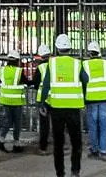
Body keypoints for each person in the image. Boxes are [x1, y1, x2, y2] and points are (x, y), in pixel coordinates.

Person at [40, 34, 89, 177]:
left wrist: (43, 103)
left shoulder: (52, 63)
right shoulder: (77, 63)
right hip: (73, 109)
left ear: (57, 48)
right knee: (76, 142)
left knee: (58, 143)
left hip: (56, 109)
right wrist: (84, 100)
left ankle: (60, 173)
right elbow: (86, 81)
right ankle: (75, 171)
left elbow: (46, 85)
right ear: (70, 47)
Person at [83, 42, 106, 158]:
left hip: (91, 99)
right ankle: (104, 150)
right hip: (104, 99)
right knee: (104, 126)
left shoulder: (85, 65)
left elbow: (83, 84)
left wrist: (83, 101)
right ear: (99, 52)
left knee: (93, 126)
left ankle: (94, 150)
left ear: (89, 53)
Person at [0, 51, 28, 146]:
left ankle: (1, 139)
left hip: (5, 100)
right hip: (17, 101)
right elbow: (26, 82)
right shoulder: (19, 71)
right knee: (17, 123)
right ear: (17, 60)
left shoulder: (2, 70)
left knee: (7, 121)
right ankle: (16, 142)